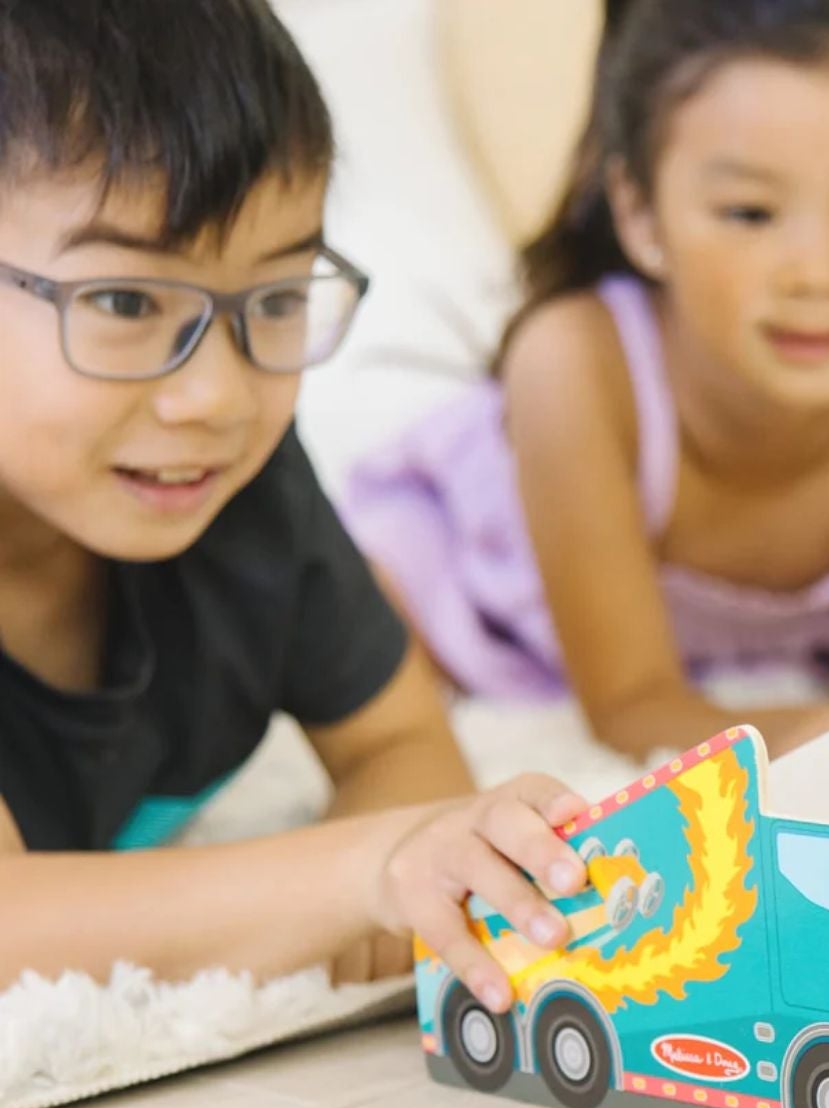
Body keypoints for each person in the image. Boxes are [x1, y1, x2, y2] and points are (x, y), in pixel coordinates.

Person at [344, 0, 829, 785]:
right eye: (751, 212)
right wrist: (798, 737)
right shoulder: (576, 364)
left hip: (776, 631)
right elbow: (633, 705)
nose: (815, 274)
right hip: (496, 594)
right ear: (641, 215)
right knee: (360, 632)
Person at [0, 0, 588, 1008]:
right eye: (128, 303)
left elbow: (400, 740)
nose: (220, 396)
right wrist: (360, 874)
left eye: (273, 301)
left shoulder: (244, 497)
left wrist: (415, 856)